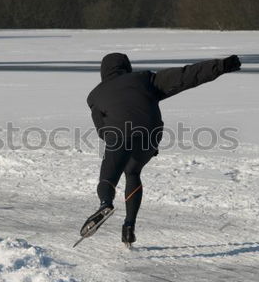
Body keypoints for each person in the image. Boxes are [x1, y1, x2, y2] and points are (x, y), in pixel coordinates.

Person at [83, 52, 242, 246]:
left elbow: (101, 130)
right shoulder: (144, 79)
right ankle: (129, 227)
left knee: (109, 175)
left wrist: (116, 143)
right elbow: (185, 76)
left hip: (119, 135)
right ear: (127, 67)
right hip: (150, 134)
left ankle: (105, 204)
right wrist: (220, 65)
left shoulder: (95, 96)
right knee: (132, 172)